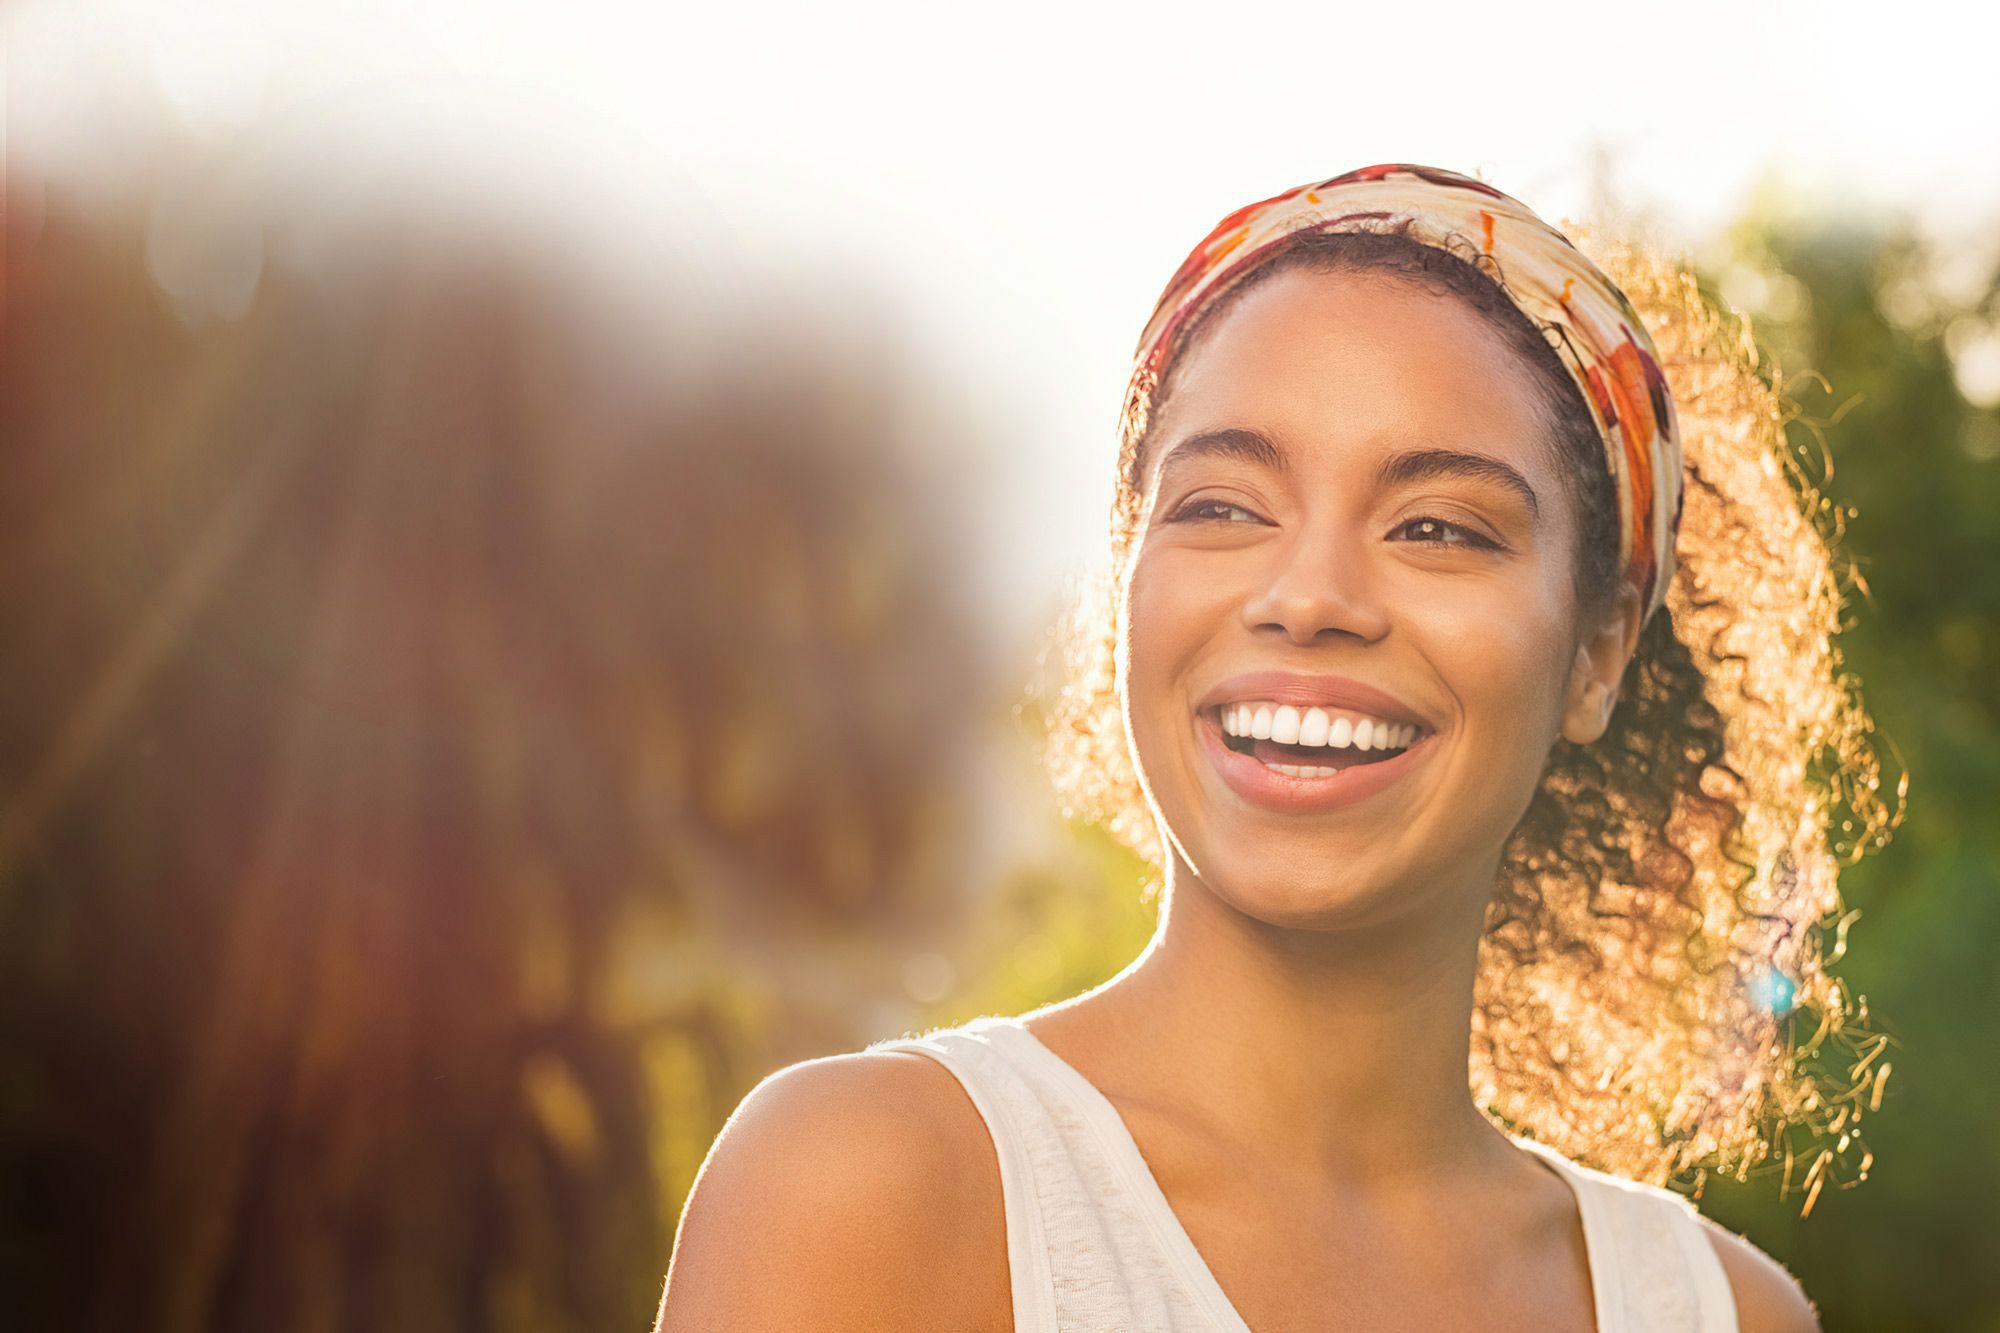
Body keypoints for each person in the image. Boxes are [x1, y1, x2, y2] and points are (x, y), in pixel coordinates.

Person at [660, 164, 1895, 1330]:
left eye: (1436, 527)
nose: (1307, 595)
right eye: (1220, 507)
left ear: (1596, 653)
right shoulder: (866, 1186)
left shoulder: (1715, 1311)